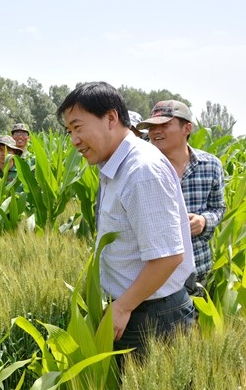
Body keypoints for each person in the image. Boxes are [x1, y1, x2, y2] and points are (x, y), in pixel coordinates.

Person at [57, 82, 195, 357]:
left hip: (151, 317)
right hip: (139, 309)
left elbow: (168, 257)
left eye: (78, 127)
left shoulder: (141, 171)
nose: (73, 140)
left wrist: (122, 307)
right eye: (69, 131)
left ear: (111, 118)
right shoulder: (113, 166)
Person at [137, 100, 226, 289]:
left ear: (187, 128)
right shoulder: (141, 169)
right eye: (152, 126)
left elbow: (218, 207)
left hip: (198, 268)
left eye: (165, 125)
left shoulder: (210, 166)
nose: (155, 131)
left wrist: (204, 220)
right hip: (152, 274)